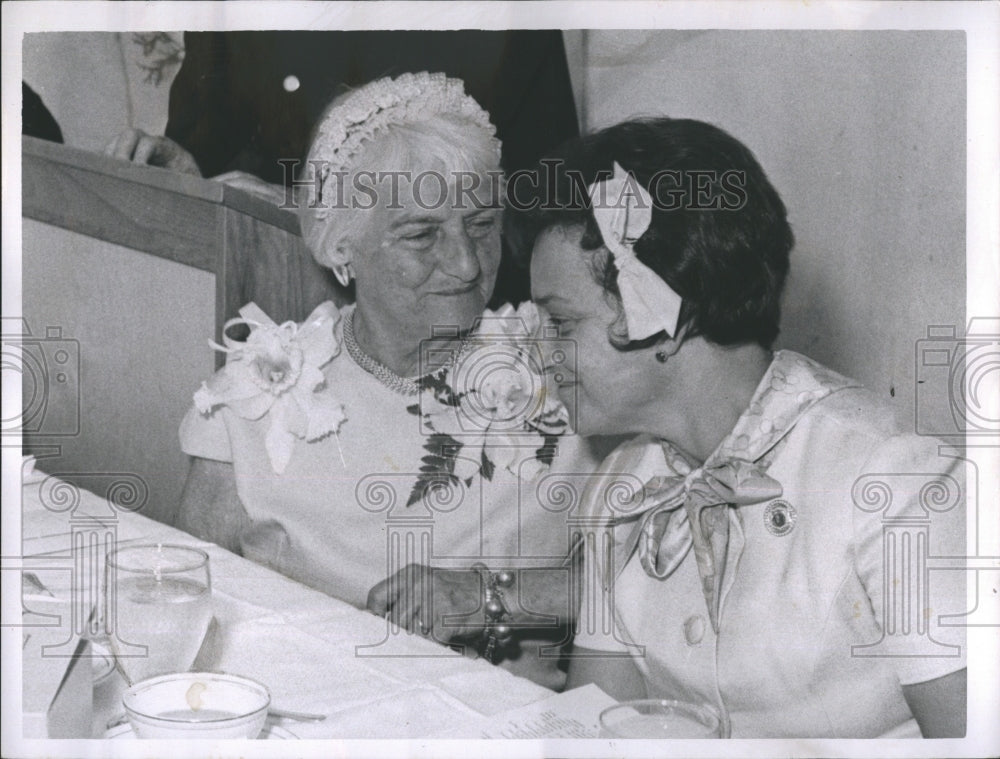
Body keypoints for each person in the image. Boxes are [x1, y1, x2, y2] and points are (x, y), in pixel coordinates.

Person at [518, 117, 967, 736]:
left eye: (560, 324)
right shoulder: (622, 485)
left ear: (665, 314)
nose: (538, 353)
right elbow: (601, 729)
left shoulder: (894, 480)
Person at [175, 72, 598, 690]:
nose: (464, 263)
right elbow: (179, 597)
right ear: (342, 248)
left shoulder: (568, 372)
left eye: (480, 226)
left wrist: (491, 596)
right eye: (422, 234)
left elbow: (658, 593)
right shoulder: (252, 400)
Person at [105, 30, 579, 306]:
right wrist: (190, 175)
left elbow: (548, 213)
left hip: (451, 336)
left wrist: (321, 213)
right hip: (271, 318)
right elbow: (212, 152)